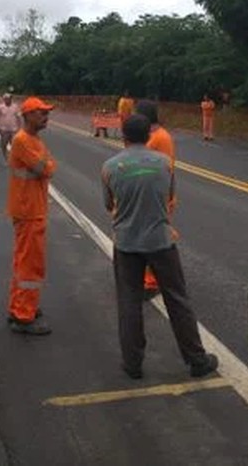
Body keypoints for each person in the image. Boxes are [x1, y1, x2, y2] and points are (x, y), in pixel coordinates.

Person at [102, 114, 218, 379]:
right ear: (148, 135)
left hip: (126, 243)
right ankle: (196, 360)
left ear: (123, 135)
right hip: (161, 241)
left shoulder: (110, 167)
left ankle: (133, 364)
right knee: (177, 299)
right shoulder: (165, 164)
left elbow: (109, 205)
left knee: (129, 302)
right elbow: (168, 196)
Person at [6, 96, 57, 335]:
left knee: (23, 261)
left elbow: (48, 168)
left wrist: (46, 163)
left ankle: (20, 306)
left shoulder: (34, 140)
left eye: (46, 113)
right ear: (27, 116)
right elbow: (45, 169)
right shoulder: (23, 141)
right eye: (41, 113)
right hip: (29, 210)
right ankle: (23, 316)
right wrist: (47, 162)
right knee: (30, 265)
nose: (46, 117)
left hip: (31, 208)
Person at [136, 99, 177, 299]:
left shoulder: (160, 138)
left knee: (153, 238)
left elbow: (164, 170)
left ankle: (152, 282)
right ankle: (148, 277)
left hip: (157, 196)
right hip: (150, 195)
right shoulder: (153, 136)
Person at [0, 92, 22, 160]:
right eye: (6, 99)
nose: (7, 100)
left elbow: (18, 117)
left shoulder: (15, 106)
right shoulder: (0, 107)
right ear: (4, 99)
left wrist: (19, 127)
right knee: (3, 144)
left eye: (8, 98)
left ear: (11, 99)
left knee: (14, 144)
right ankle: (6, 157)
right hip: (3, 129)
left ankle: (14, 158)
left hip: (13, 129)